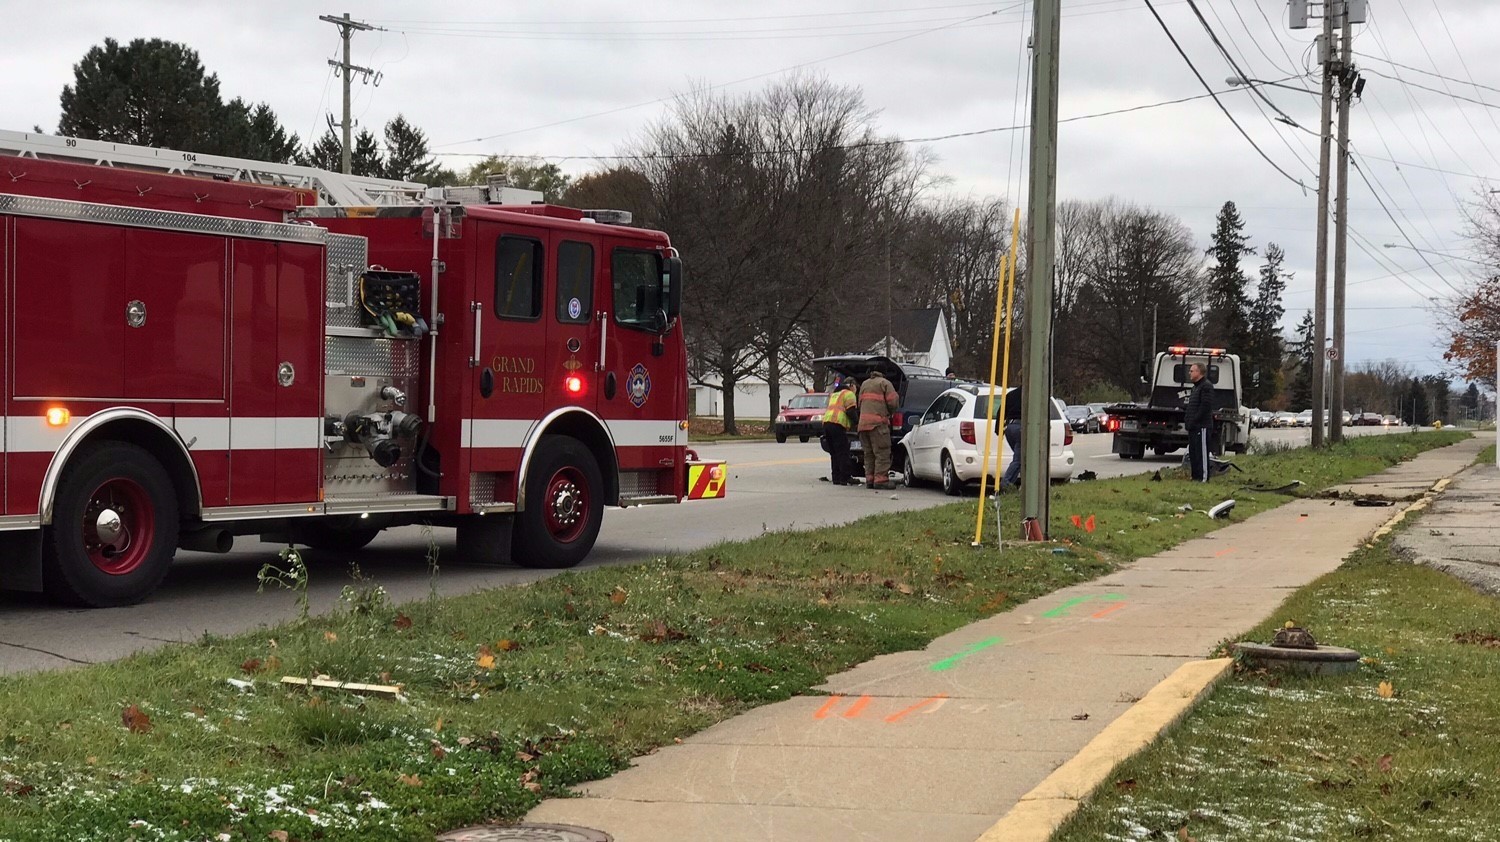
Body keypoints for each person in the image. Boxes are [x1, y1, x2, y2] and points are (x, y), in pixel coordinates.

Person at [857, 368, 900, 490]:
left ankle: (870, 480)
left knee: (869, 454)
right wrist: (890, 413)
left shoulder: (864, 384)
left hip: (863, 425)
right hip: (878, 425)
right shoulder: (884, 383)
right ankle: (881, 480)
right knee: (882, 452)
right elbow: (893, 402)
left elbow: (860, 403)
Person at [821, 379, 860, 486]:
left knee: (834, 453)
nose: (856, 390)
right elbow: (850, 411)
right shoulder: (849, 394)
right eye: (856, 387)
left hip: (827, 424)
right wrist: (858, 423)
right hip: (837, 424)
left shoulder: (834, 394)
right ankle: (845, 478)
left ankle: (836, 478)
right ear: (852, 385)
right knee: (843, 452)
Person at [1184, 362, 1213, 482]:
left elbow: (1205, 406)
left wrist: (1195, 419)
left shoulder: (1206, 386)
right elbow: (1192, 406)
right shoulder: (1195, 387)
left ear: (1199, 372)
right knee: (1194, 452)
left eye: (1192, 371)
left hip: (1202, 426)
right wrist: (1188, 420)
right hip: (1193, 427)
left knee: (1202, 453)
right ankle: (1195, 476)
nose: (1189, 373)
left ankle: (1204, 477)